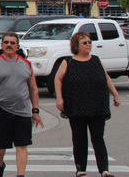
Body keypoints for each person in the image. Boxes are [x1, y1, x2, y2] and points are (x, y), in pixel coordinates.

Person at [54, 31, 121, 177]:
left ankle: (104, 169)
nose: (88, 45)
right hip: (76, 105)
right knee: (79, 138)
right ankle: (80, 168)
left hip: (97, 104)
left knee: (98, 137)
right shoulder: (68, 61)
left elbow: (107, 78)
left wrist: (115, 94)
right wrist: (59, 98)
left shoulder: (96, 60)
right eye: (85, 43)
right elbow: (58, 79)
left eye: (90, 42)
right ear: (76, 45)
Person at [0, 32, 44, 177]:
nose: (9, 45)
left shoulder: (26, 64)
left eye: (12, 43)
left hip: (22, 110)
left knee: (22, 145)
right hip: (1, 109)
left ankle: (20, 175)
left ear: (17, 46)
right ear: (2, 45)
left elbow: (33, 89)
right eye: (6, 42)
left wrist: (35, 111)